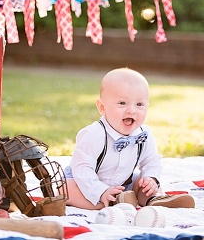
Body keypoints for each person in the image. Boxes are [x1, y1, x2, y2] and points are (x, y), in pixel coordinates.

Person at [61, 67, 195, 209]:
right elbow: (82, 168)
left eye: (139, 104)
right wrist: (101, 191)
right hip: (83, 181)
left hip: (123, 183)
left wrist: (151, 178)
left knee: (143, 182)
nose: (132, 110)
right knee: (64, 189)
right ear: (102, 107)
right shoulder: (94, 134)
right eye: (122, 103)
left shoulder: (144, 135)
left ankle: (154, 199)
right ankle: (112, 201)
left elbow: (151, 161)